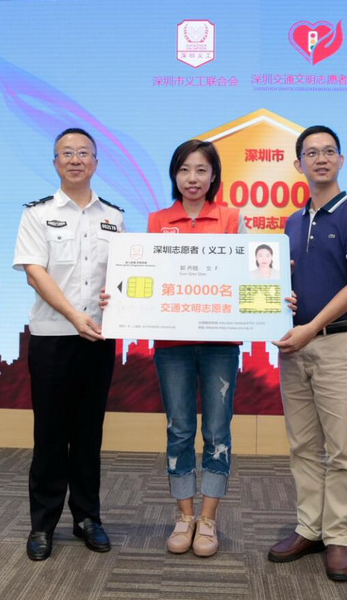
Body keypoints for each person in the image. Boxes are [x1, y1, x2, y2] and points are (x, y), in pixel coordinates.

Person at [268, 125, 347, 582]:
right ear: (299, 165)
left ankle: (338, 536)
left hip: (336, 343)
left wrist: (310, 328)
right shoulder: (292, 223)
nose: (321, 159)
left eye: (329, 151)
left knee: (342, 450)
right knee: (303, 446)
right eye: (311, 153)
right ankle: (308, 528)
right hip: (295, 348)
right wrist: (281, 300)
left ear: (341, 160)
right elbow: (285, 284)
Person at [13, 127, 125, 562]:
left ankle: (87, 518)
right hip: (52, 339)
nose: (75, 160)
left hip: (97, 339)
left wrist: (119, 299)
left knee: (88, 434)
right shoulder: (36, 214)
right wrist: (74, 316)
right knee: (50, 434)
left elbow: (126, 277)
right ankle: (42, 524)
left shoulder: (114, 217)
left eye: (83, 153)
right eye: (66, 153)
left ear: (95, 162)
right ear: (55, 162)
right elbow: (35, 273)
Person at [147, 139, 244, 557]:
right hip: (173, 343)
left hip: (220, 342)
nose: (193, 178)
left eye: (201, 170)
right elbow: (147, 277)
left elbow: (248, 275)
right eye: (185, 169)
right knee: (179, 428)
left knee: (218, 431)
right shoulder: (157, 221)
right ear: (174, 174)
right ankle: (184, 516)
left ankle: (208, 519)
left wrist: (276, 287)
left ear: (213, 175)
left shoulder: (231, 218)